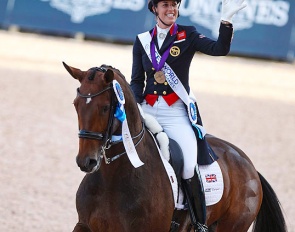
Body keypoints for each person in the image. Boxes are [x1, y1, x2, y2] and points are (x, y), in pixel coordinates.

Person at [130, 0, 246, 231]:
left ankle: (197, 220)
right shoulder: (142, 40)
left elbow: (219, 49)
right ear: (154, 9)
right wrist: (137, 105)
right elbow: (136, 81)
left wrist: (226, 22)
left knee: (188, 165)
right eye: (165, 4)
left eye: (174, 4)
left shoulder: (188, 35)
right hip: (149, 111)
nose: (171, 9)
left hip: (175, 114)